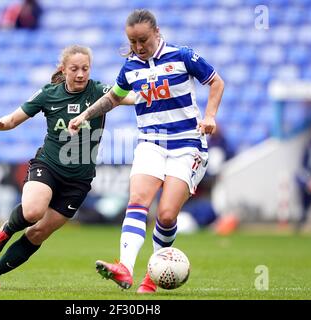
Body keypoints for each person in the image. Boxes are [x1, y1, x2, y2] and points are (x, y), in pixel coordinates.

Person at [68, 9, 225, 293]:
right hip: (150, 142)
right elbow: (113, 98)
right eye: (132, 42)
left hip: (188, 144)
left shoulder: (183, 56)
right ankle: (125, 268)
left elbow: (216, 81)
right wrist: (85, 116)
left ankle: (151, 279)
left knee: (165, 216)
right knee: (138, 200)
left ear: (156, 32)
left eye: (143, 40)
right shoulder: (130, 67)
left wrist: (210, 116)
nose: (138, 47)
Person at [0, 45, 134, 289]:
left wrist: (153, 94)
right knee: (32, 212)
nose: (81, 74)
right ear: (63, 69)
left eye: (85, 68)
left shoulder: (99, 91)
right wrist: (2, 124)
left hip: (79, 181)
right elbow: (12, 119)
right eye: (74, 69)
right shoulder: (48, 94)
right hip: (49, 166)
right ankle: (5, 231)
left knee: (38, 232)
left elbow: (129, 97)